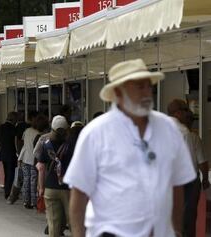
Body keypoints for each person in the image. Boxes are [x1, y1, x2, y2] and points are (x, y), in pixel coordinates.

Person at [63, 59, 196, 237]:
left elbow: (177, 184)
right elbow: (79, 193)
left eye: (148, 86)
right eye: (139, 87)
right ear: (118, 92)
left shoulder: (169, 128)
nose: (147, 92)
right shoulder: (96, 133)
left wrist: (177, 229)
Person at [167, 99, 210, 237]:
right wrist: (205, 179)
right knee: (188, 216)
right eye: (186, 110)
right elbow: (202, 162)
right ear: (177, 112)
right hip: (189, 182)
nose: (189, 113)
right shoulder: (190, 135)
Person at [36, 115, 69, 237]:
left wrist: (40, 187)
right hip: (68, 187)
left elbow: (41, 168)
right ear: (66, 128)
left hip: (50, 187)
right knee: (73, 221)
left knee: (53, 223)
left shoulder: (46, 144)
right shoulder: (70, 145)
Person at [18, 115, 40, 209]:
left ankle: (26, 201)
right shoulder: (39, 134)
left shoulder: (27, 131)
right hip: (33, 159)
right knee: (33, 181)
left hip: (24, 157)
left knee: (26, 180)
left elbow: (23, 143)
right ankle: (33, 202)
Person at [0, 112, 18, 199]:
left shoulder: (1, 127)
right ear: (13, 119)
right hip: (11, 154)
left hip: (3, 153)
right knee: (11, 174)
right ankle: (8, 192)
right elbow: (16, 140)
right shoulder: (13, 128)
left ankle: (7, 191)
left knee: (6, 173)